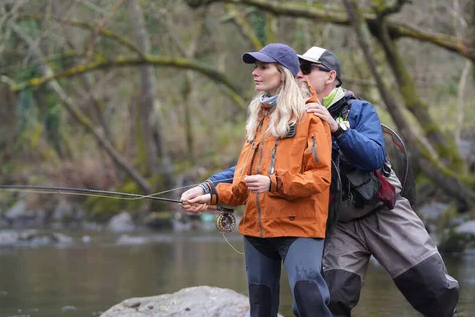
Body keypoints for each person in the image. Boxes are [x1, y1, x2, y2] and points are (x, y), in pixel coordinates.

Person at [184, 46, 460, 317]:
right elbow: (254, 166)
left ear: (331, 76)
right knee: (329, 301)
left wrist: (336, 128)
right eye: (297, 69)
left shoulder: (359, 110)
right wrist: (209, 187)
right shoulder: (285, 113)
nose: (299, 74)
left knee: (434, 290)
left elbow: (375, 157)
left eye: (306, 69)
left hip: (383, 213)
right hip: (337, 223)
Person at [182, 43, 334, 317]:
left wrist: (273, 183)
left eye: (263, 67)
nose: (256, 73)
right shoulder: (258, 118)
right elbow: (241, 185)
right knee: (260, 307)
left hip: (299, 228)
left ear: (284, 73)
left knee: (309, 299)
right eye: (255, 67)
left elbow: (320, 178)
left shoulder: (312, 117)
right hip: (256, 231)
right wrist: (210, 197)